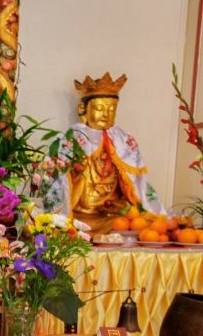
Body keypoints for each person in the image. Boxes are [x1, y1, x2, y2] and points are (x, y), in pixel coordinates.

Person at [54, 72, 165, 234]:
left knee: (142, 223)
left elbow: (134, 185)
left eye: (112, 109)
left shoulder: (122, 141)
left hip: (111, 215)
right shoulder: (70, 140)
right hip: (82, 214)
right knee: (68, 227)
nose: (106, 114)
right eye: (99, 108)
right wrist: (78, 168)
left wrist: (122, 204)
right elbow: (59, 184)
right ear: (82, 108)